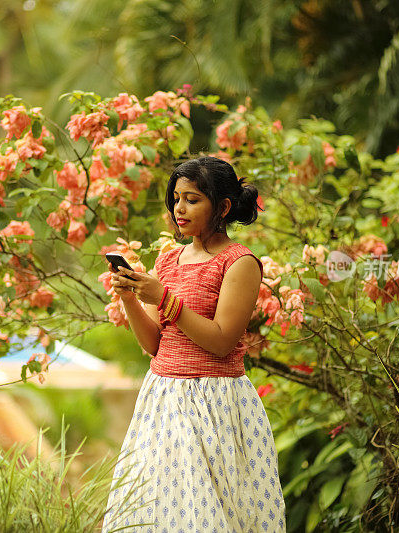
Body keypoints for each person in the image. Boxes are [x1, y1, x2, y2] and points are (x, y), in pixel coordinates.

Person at [101, 156, 286, 532]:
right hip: (163, 401)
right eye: (176, 198)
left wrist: (164, 298)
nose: (178, 209)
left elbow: (221, 341)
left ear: (223, 207)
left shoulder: (240, 262)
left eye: (191, 199)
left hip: (214, 403)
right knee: (157, 515)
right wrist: (130, 297)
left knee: (209, 517)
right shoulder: (168, 259)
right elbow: (153, 344)